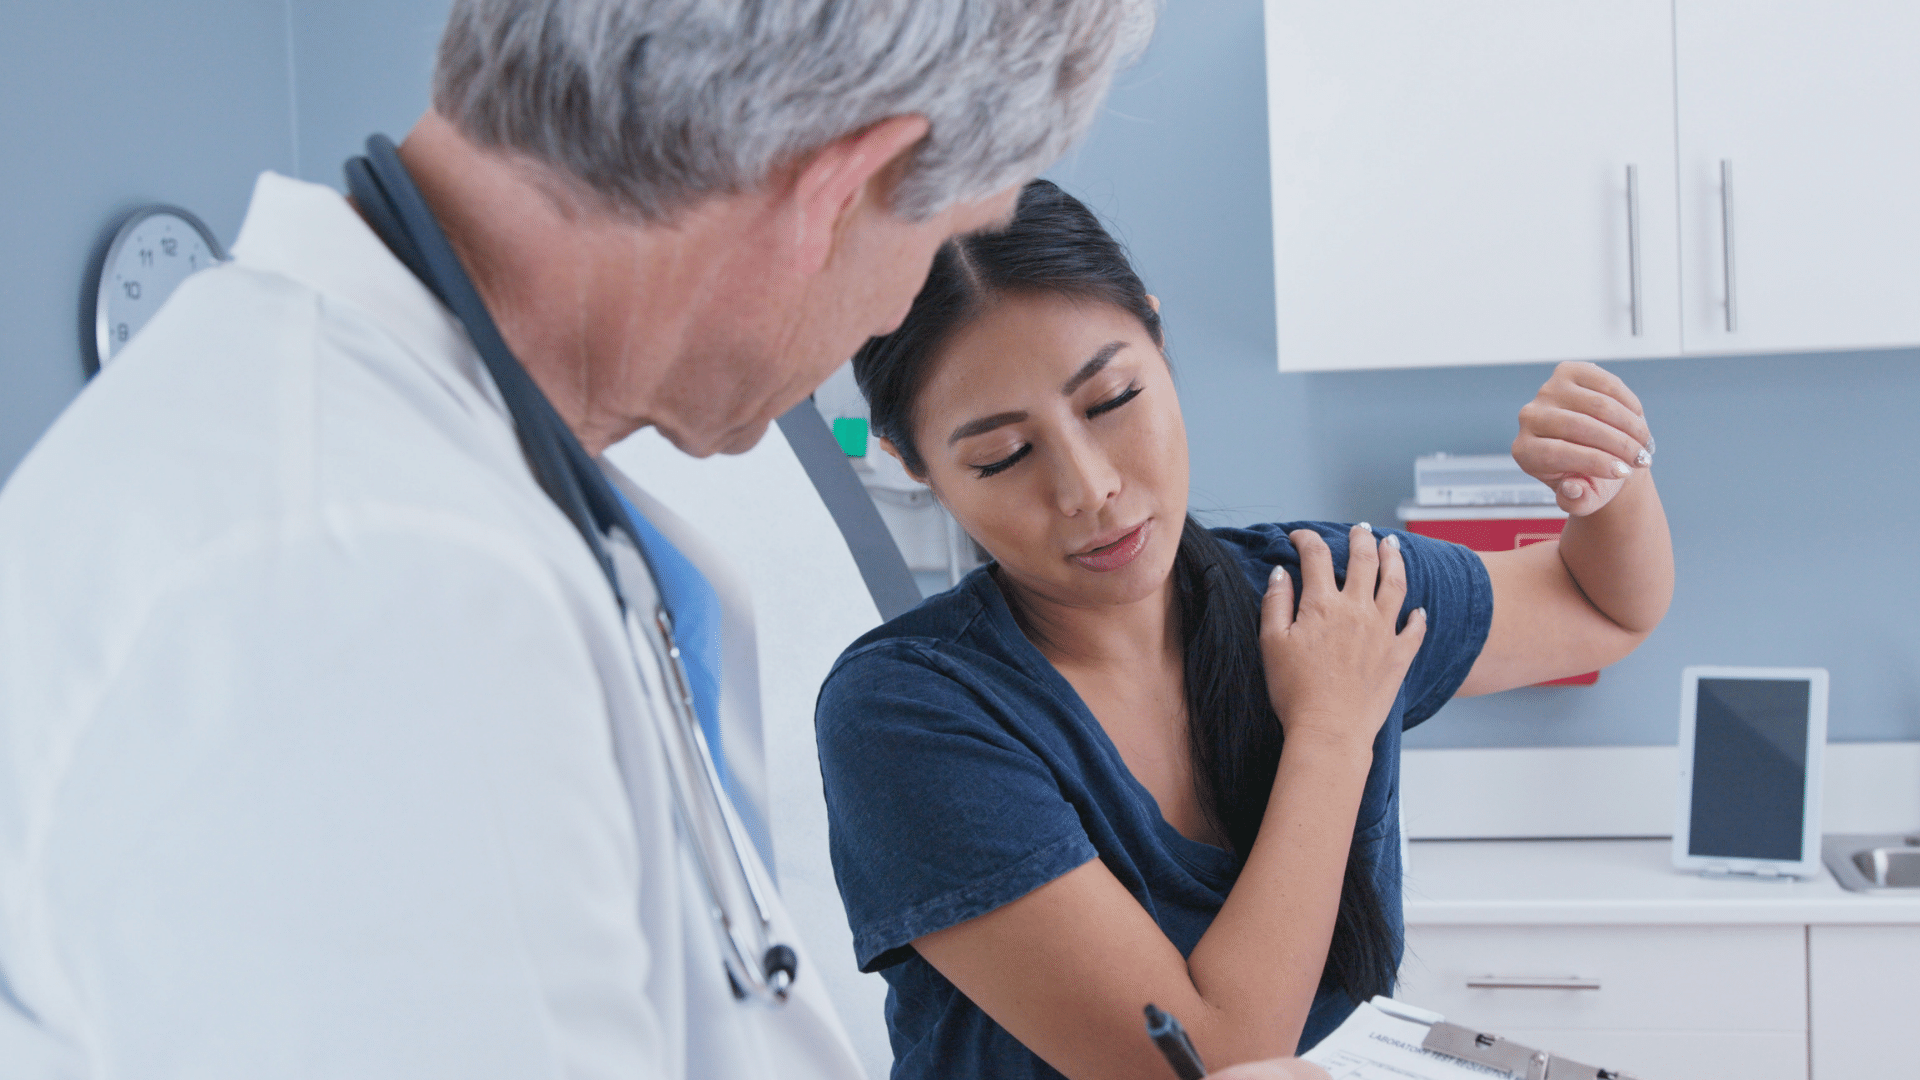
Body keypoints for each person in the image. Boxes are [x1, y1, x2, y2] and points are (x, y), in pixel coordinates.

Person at [0, 5, 1243, 1078]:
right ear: (837, 192)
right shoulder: (370, 585)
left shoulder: (428, 479)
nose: (886, 315)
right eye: (921, 259)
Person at [816, 180, 1675, 1079]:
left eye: (1110, 400)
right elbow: (1215, 1062)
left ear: (1156, 337)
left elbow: (1602, 604)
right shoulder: (907, 713)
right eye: (1004, 455)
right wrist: (1333, 731)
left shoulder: (1321, 595)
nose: (1087, 487)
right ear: (916, 464)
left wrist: (1610, 472)